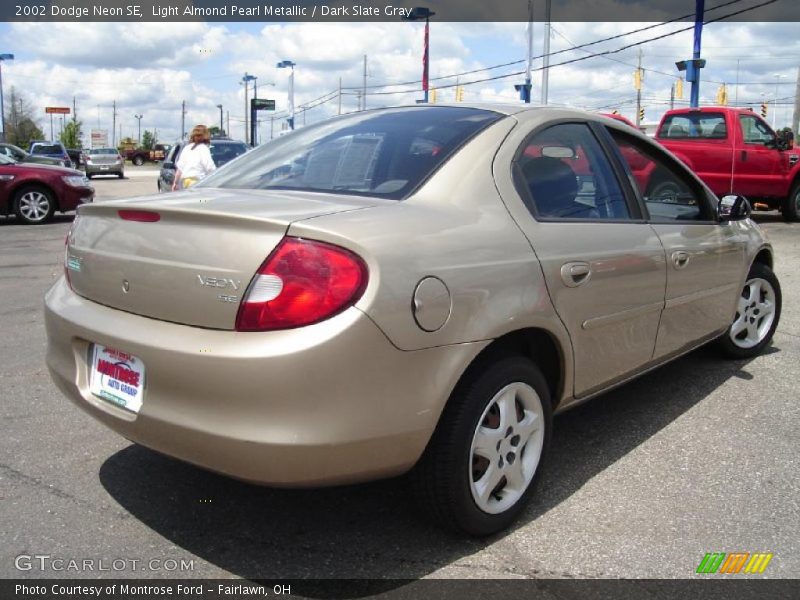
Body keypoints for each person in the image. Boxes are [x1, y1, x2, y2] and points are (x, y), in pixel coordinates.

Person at [172, 125, 216, 190]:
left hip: (185, 183)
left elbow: (180, 169)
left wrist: (175, 183)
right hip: (198, 184)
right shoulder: (203, 149)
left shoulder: (187, 148)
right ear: (206, 136)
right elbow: (210, 168)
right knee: (202, 198)